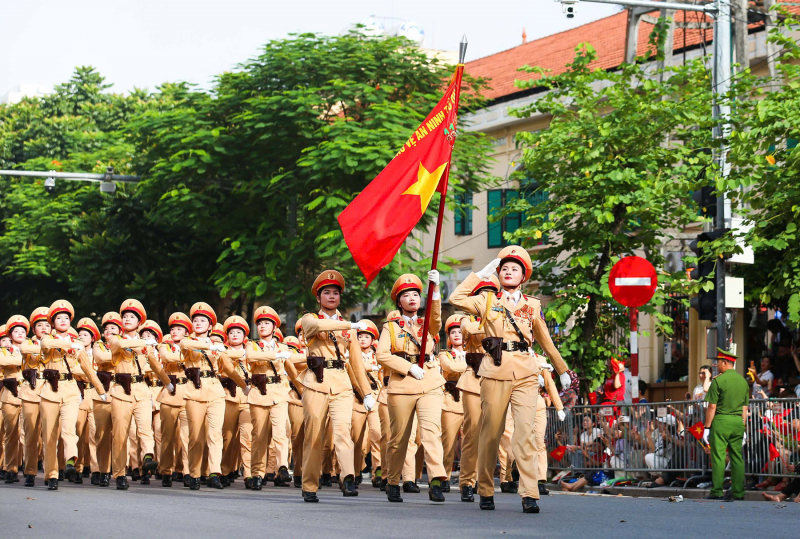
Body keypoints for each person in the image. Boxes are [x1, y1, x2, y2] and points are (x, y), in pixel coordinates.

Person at [450, 246, 571, 513]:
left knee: (525, 434)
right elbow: (455, 297)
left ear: (523, 275)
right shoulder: (487, 300)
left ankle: (529, 493)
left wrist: (561, 370)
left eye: (514, 268)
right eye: (504, 267)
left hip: (526, 373)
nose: (508, 271)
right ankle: (484, 488)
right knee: (490, 434)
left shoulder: (533, 305)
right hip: (495, 370)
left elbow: (545, 341)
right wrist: (480, 274)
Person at [299, 270, 375, 502]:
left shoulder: (347, 327)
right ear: (319, 297)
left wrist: (367, 393)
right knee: (314, 436)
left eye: (335, 293)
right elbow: (315, 327)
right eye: (326, 293)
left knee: (344, 433)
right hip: (316, 383)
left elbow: (356, 364)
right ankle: (310, 485)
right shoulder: (310, 318)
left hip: (341, 384)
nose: (331, 296)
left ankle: (348, 478)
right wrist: (350, 325)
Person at [376, 272, 447, 504]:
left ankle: (436, 480)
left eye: (416, 294)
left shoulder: (427, 323)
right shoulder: (391, 327)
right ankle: (393, 481)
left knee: (431, 433)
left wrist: (435, 290)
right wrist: (407, 367)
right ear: (399, 301)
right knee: (399, 439)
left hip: (429, 381)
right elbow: (382, 354)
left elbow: (436, 320)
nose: (412, 298)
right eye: (406, 295)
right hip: (402, 384)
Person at [39, 300, 106, 490]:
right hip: (49, 392)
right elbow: (47, 344)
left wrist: (101, 390)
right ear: (52, 322)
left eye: (66, 318)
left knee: (69, 428)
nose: (62, 320)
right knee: (50, 437)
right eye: (58, 318)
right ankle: (51, 474)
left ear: (70, 321)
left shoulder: (76, 343)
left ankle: (70, 460)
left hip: (69, 390)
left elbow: (88, 369)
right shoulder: (47, 338)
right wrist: (69, 343)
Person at [180, 302, 246, 490]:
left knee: (215, 434)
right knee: (195, 436)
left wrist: (244, 386)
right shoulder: (188, 342)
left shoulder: (218, 346)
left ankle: (214, 473)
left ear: (210, 326)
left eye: (203, 320)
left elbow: (230, 369)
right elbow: (186, 344)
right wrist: (209, 345)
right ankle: (194, 473)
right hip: (194, 391)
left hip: (215, 391)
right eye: (195, 320)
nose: (198, 323)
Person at [107, 299, 171, 490]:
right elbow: (118, 346)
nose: (127, 319)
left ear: (139, 322)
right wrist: (144, 342)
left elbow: (155, 366)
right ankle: (119, 473)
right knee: (120, 434)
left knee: (145, 429)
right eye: (125, 316)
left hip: (141, 390)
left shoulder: (147, 345)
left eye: (132, 317)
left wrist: (168, 384)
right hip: (120, 391)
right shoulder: (115, 338)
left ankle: (148, 456)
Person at [244, 306, 302, 490]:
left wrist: (302, 389)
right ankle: (257, 473)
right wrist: (276, 355)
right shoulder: (252, 345)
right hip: (259, 394)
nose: (262, 326)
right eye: (260, 323)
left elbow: (292, 370)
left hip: (279, 392)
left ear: (274, 327)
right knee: (259, 435)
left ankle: (282, 467)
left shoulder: (284, 347)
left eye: (267, 323)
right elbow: (252, 358)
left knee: (281, 433)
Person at [456, 274, 500, 502]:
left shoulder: (501, 315)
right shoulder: (467, 319)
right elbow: (470, 331)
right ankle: (466, 481)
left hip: (496, 377)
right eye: (482, 294)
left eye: (491, 293)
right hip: (473, 380)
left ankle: (488, 481)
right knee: (472, 433)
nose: (487, 297)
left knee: (493, 434)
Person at [703, 348, 749, 501]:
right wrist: (743, 425)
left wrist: (707, 427)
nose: (716, 365)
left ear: (725, 363)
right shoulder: (743, 381)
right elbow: (745, 408)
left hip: (721, 421)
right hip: (738, 422)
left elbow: (712, 407)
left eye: (718, 363)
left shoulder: (718, 380)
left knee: (718, 457)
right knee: (737, 457)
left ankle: (717, 491)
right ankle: (738, 492)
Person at [156, 312, 192, 488]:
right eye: (173, 328)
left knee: (186, 437)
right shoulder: (165, 345)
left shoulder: (191, 345)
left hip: (187, 394)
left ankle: (187, 471)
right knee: (168, 437)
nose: (175, 331)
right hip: (170, 393)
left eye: (179, 328)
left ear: (186, 331)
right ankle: (166, 471)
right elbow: (166, 358)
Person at [219, 315, 253, 488]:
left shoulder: (251, 351)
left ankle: (249, 475)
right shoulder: (223, 353)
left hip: (247, 398)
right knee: (228, 437)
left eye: (238, 332)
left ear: (244, 335)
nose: (234, 335)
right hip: (229, 397)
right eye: (231, 332)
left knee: (247, 437)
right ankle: (225, 470)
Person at [17, 307, 50, 487]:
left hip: (51, 392)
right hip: (31, 392)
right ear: (33, 328)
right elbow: (24, 350)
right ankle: (29, 471)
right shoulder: (28, 344)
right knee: (30, 434)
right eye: (40, 325)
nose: (44, 328)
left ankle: (49, 471)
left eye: (47, 325)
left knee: (49, 435)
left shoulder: (57, 343)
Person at [437, 314, 467, 494]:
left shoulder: (475, 353)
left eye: (460, 332)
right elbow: (451, 368)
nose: (457, 335)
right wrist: (473, 364)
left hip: (471, 401)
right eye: (453, 332)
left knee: (471, 444)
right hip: (451, 401)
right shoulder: (444, 354)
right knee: (447, 445)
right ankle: (444, 476)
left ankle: (470, 479)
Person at [92, 312, 122, 487]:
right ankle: (104, 470)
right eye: (107, 329)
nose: (109, 331)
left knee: (120, 434)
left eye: (113, 328)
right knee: (102, 435)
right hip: (103, 393)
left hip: (121, 392)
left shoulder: (125, 345)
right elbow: (101, 358)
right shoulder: (99, 346)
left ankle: (119, 472)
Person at [350, 319, 382, 487]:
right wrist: (371, 367)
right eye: (360, 336)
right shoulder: (351, 355)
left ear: (373, 340)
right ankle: (355, 471)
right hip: (357, 399)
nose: (362, 339)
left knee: (377, 434)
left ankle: (378, 470)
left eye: (366, 336)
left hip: (375, 399)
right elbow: (354, 368)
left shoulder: (379, 356)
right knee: (356, 438)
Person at [1, 315, 30, 484]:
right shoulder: (4, 350)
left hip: (28, 395)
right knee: (11, 434)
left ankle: (29, 467)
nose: (19, 333)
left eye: (22, 331)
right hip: (10, 396)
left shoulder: (33, 349)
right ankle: (10, 468)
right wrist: (24, 357)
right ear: (10, 335)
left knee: (28, 435)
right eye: (15, 331)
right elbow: (4, 361)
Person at [74, 317, 101, 484]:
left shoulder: (98, 354)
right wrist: (91, 375)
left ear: (92, 338)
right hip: (80, 394)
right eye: (80, 334)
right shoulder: (74, 353)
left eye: (85, 335)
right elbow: (76, 371)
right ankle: (77, 468)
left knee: (94, 434)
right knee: (78, 433)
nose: (82, 337)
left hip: (95, 394)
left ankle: (96, 470)